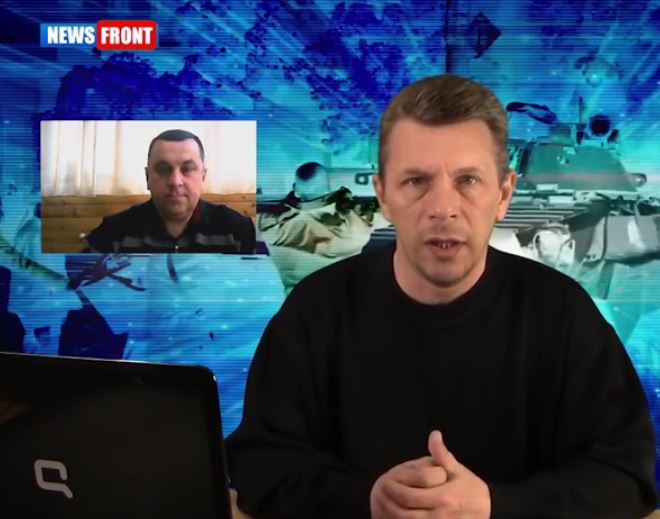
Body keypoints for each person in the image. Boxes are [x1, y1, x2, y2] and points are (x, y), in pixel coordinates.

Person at [226, 74, 657, 519]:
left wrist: (495, 506)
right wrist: (367, 501)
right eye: (416, 181)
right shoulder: (316, 310)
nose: (443, 208)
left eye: (468, 180)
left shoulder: (563, 313)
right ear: (383, 195)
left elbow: (627, 477)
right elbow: (260, 465)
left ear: (503, 194)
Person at [83, 129, 255, 253]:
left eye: (188, 169)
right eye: (163, 169)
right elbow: (79, 284)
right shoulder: (113, 232)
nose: (175, 182)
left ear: (203, 176)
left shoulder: (237, 230)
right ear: (147, 177)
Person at [258, 162, 387, 292]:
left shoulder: (269, 223)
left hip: (297, 300)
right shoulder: (356, 216)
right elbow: (392, 210)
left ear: (296, 191)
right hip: (343, 298)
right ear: (328, 187)